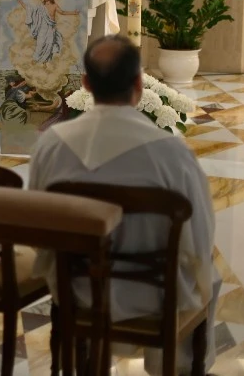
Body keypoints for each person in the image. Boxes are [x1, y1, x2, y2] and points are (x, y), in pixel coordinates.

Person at [29, 35, 218, 375]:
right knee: (210, 278)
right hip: (160, 296)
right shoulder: (171, 153)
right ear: (138, 84)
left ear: (86, 84)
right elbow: (200, 236)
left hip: (80, 291)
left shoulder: (51, 145)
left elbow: (39, 230)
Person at [18, 0, 79, 66]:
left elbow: (62, 12)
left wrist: (73, 12)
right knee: (40, 43)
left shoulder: (54, 5)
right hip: (42, 28)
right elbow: (30, 9)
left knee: (49, 44)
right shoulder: (41, 6)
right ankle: (36, 59)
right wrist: (22, 3)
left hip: (51, 27)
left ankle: (45, 62)